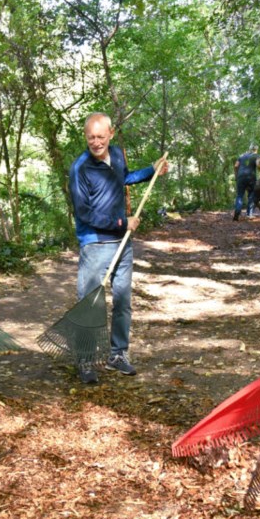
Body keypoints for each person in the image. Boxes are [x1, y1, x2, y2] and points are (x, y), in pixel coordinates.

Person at [68, 112, 169, 384]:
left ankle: (118, 355)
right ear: (86, 137)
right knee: (91, 303)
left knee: (123, 301)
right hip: (96, 243)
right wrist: (123, 222)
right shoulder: (81, 168)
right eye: (91, 137)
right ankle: (86, 360)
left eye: (101, 136)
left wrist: (152, 170)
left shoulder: (117, 155)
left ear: (110, 134)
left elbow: (124, 177)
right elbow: (84, 213)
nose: (96, 142)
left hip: (122, 244)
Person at [233, 145, 260, 220]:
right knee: (251, 195)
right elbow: (258, 165)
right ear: (255, 150)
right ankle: (249, 214)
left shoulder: (241, 156)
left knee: (239, 195)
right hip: (251, 177)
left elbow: (236, 166)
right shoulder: (256, 156)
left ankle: (237, 212)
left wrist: (236, 175)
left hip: (240, 177)